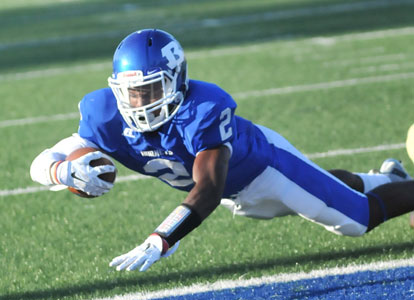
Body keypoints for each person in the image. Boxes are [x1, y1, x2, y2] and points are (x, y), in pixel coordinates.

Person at [30, 29, 414, 272]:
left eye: (152, 89)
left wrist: (162, 237)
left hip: (266, 170)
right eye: (134, 91)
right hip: (240, 196)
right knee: (324, 189)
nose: (141, 101)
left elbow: (209, 188)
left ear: (177, 80)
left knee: (356, 219)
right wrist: (64, 173)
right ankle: (387, 179)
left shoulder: (202, 108)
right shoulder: (105, 114)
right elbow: (42, 162)